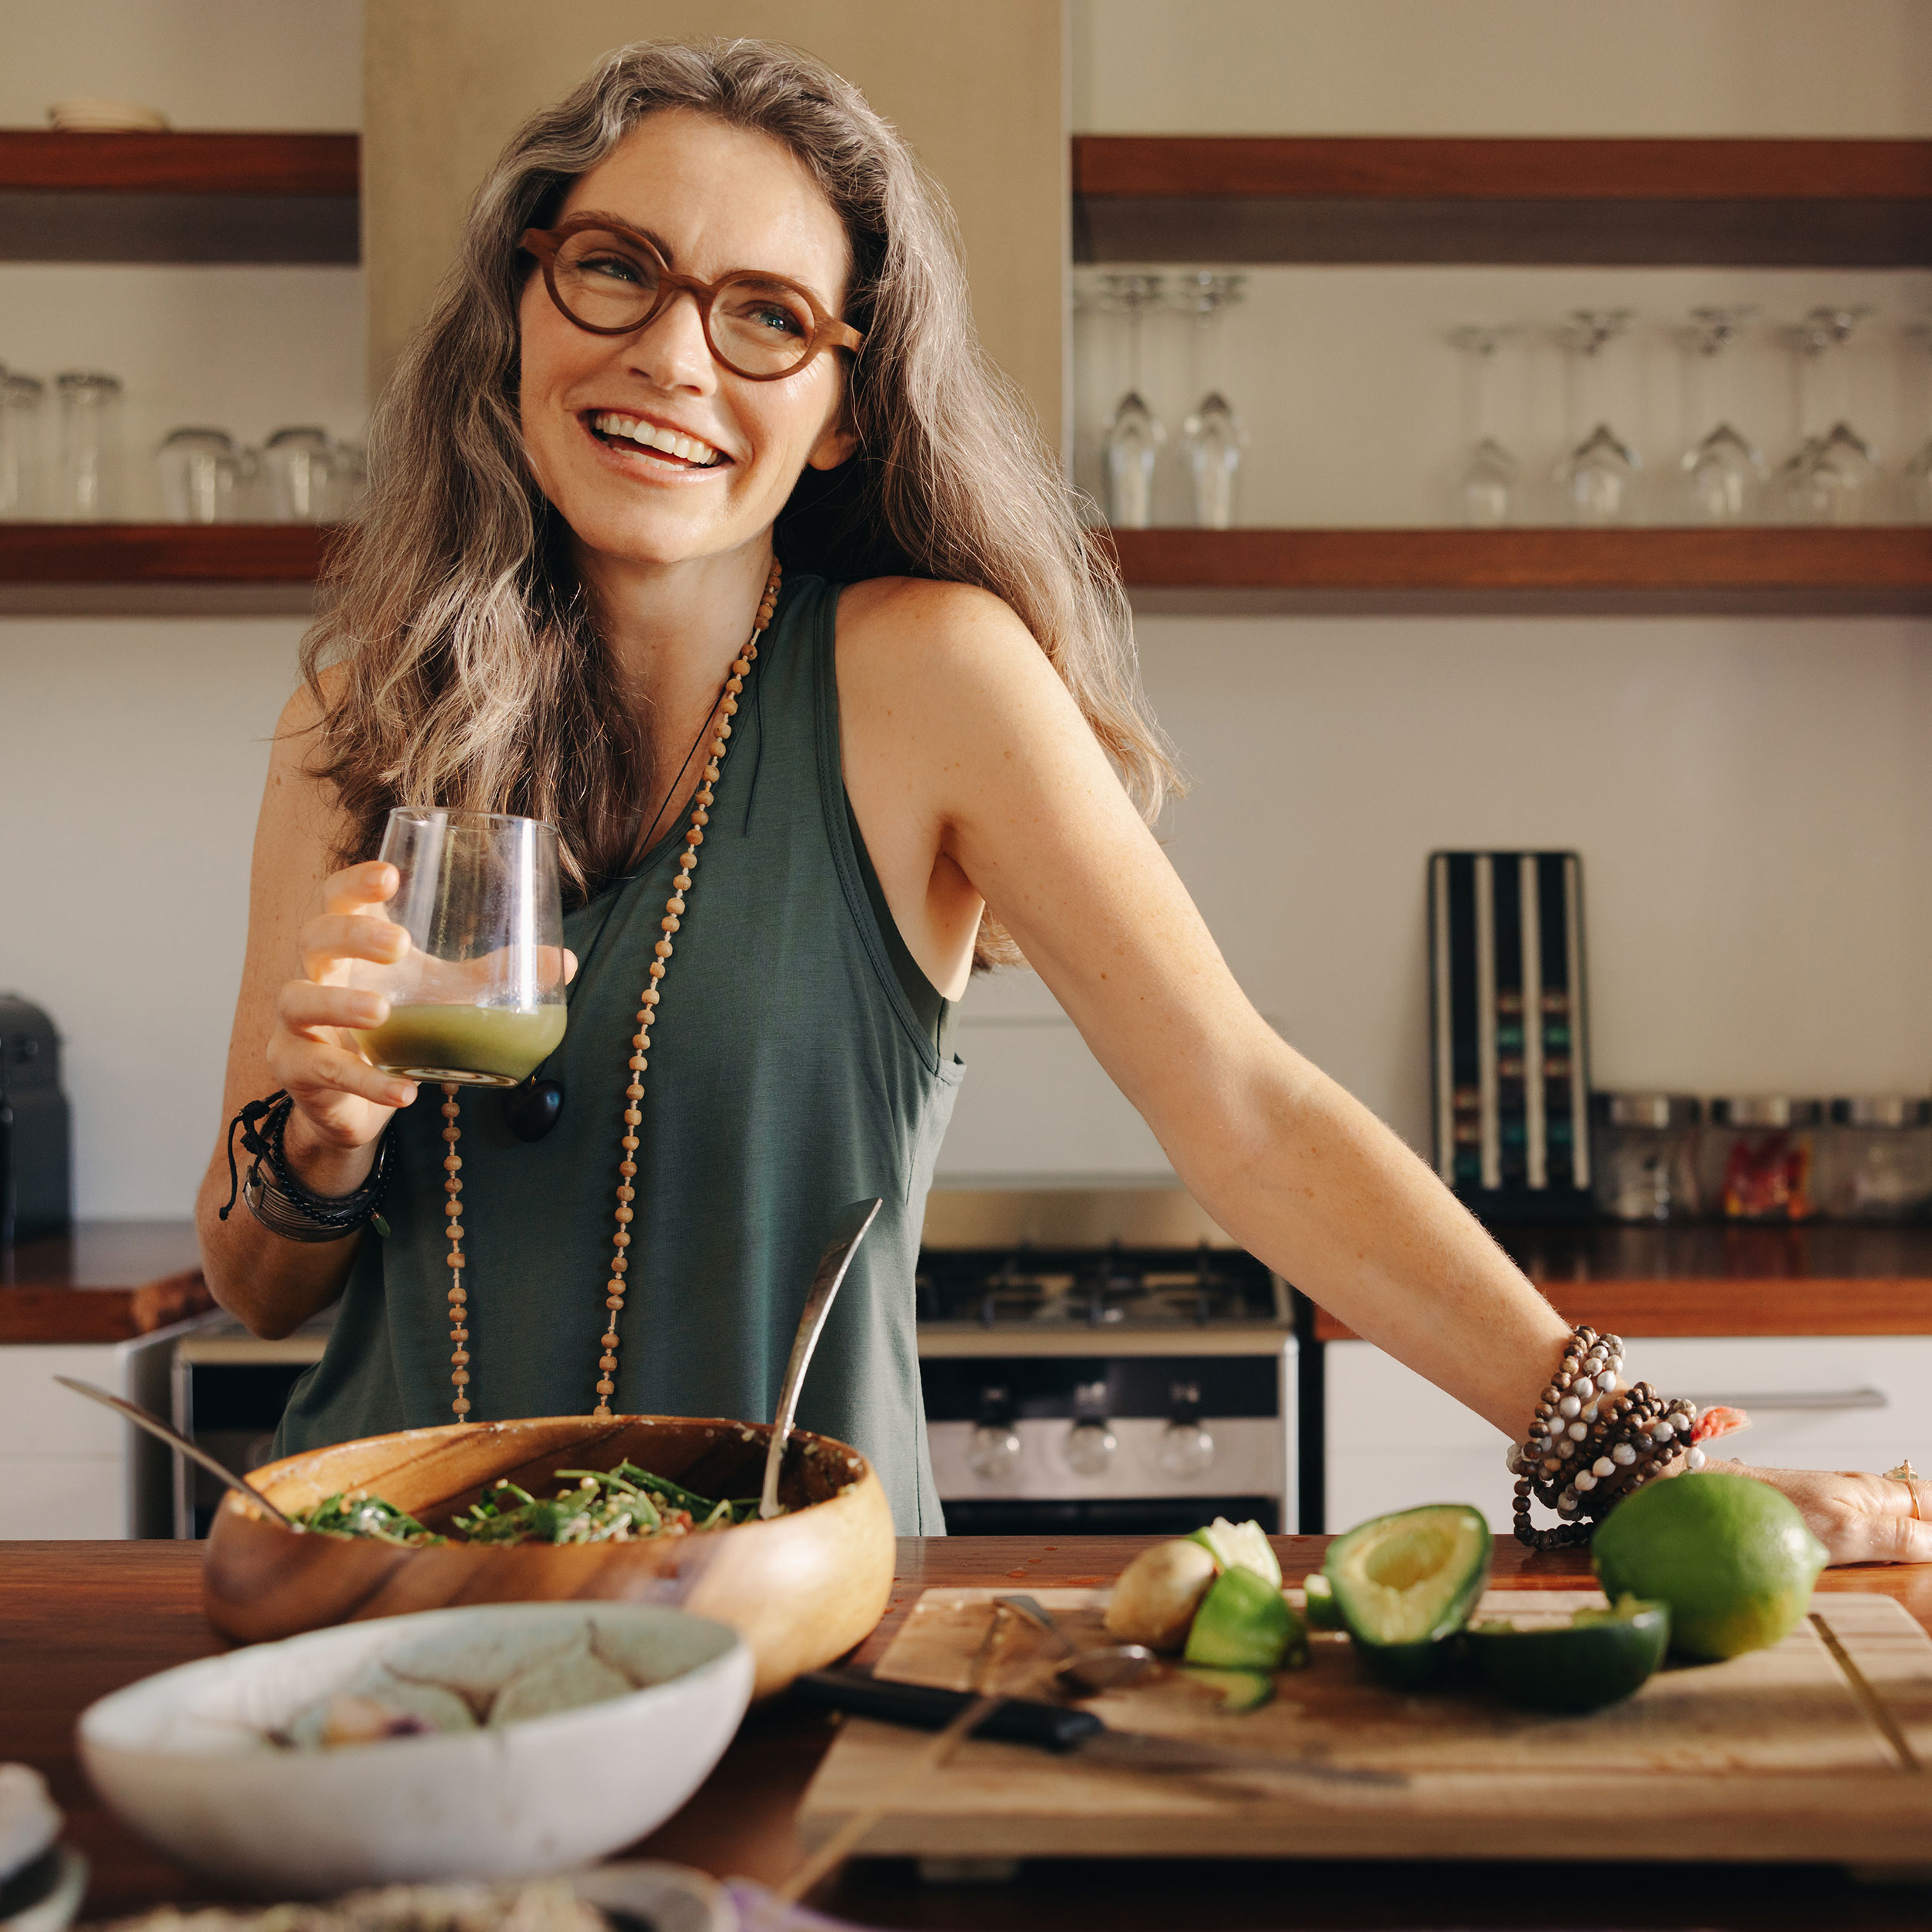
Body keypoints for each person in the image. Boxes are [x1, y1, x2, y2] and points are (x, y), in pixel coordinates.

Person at [195, 38, 1927, 1561]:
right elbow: (254, 1278)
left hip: (789, 1620)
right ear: (522, 298)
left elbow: (1244, 1109)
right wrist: (316, 1140)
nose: (672, 355)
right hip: (373, 1594)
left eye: (765, 316)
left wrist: (1620, 1455)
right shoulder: (356, 712)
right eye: (614, 271)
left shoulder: (923, 678)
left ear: (842, 410)